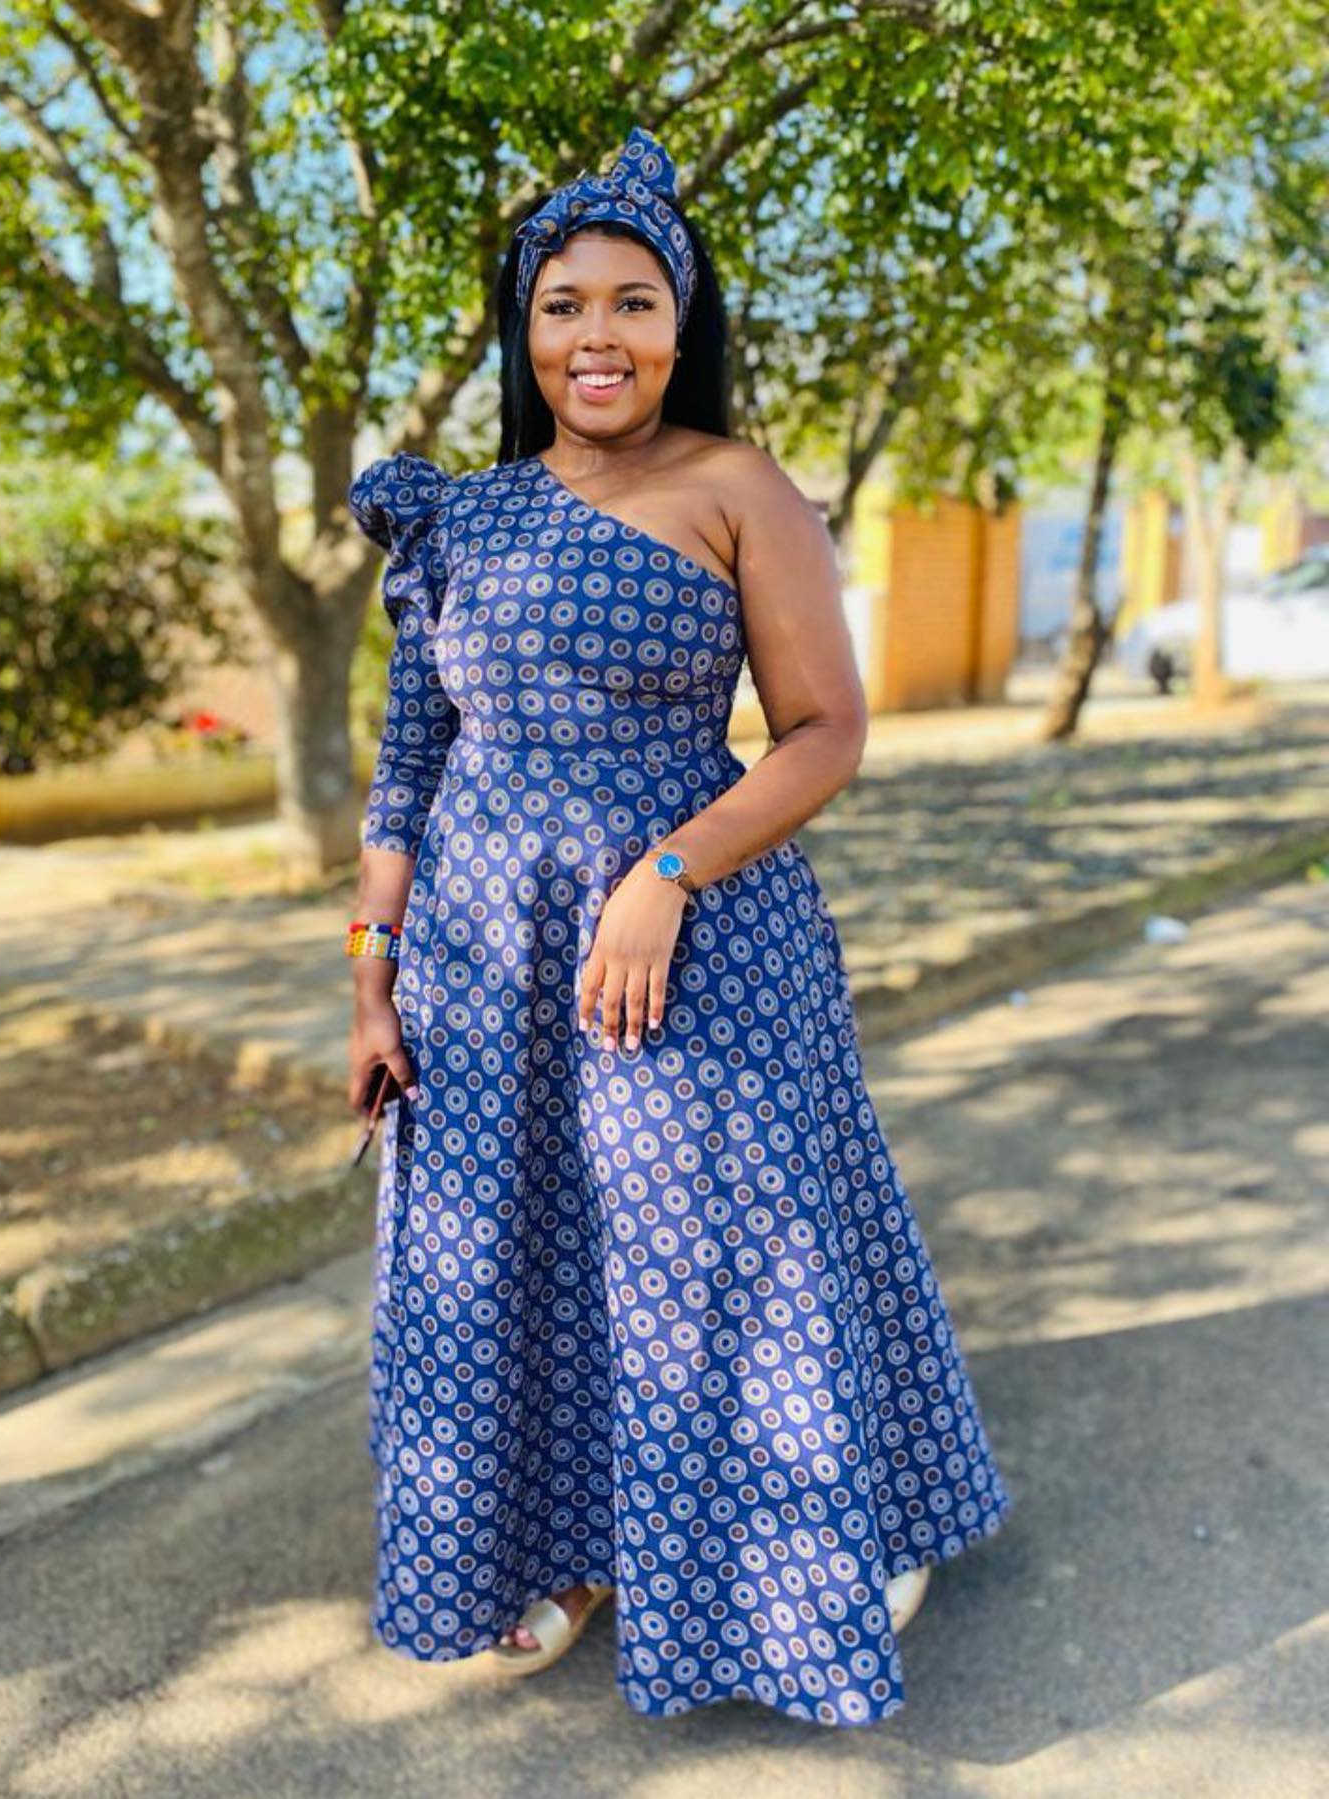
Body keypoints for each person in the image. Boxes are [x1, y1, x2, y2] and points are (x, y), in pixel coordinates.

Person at [345, 123, 1013, 1731]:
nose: (598, 336)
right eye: (563, 305)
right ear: (525, 331)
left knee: (726, 1244)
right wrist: (372, 978)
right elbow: (410, 765)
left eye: (633, 304)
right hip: (480, 962)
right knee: (518, 1251)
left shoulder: (736, 488)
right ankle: (564, 1552)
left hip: (693, 941)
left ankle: (826, 1534)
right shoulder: (461, 519)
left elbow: (825, 730)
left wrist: (667, 874)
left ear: (680, 325)